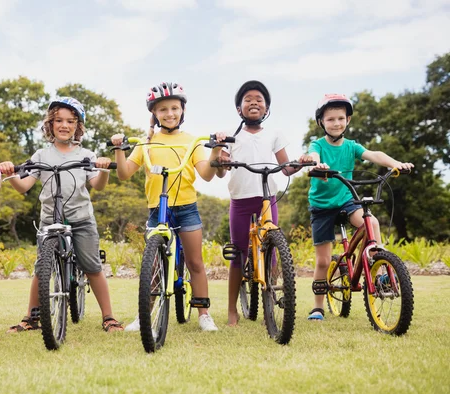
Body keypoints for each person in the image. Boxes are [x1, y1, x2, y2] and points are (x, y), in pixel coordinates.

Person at [0, 97, 124, 333]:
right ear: (50, 124)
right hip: (49, 219)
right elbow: (23, 186)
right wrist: (10, 173)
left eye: (70, 121)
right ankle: (31, 317)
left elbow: (97, 185)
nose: (64, 125)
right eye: (59, 121)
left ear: (78, 126)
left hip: (80, 219)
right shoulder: (41, 156)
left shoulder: (86, 154)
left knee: (92, 266)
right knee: (41, 268)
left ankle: (109, 317)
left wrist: (104, 169)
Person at [110, 82, 222, 332]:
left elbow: (206, 174)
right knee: (152, 266)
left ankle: (204, 314)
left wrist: (215, 150)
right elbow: (124, 173)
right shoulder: (146, 142)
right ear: (155, 114)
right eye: (163, 109)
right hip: (157, 208)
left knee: (195, 263)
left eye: (174, 108)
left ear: (182, 110)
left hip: (186, 207)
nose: (169, 113)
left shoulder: (192, 141)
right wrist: (119, 149)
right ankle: (145, 315)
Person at [298, 94, 413, 321]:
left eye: (341, 118)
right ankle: (318, 307)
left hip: (347, 200)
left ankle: (379, 272)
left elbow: (374, 155)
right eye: (330, 119)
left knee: (371, 221)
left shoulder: (351, 146)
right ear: (322, 122)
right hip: (321, 206)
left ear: (348, 120)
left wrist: (395, 164)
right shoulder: (318, 145)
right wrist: (317, 164)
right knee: (323, 261)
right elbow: (313, 156)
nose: (336, 123)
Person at [213, 80, 307, 327]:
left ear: (266, 109)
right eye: (248, 99)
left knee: (272, 249)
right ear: (239, 109)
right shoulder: (231, 137)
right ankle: (232, 309)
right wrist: (222, 160)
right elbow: (221, 173)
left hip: (267, 198)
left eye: (259, 100)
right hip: (241, 200)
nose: (254, 102)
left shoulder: (275, 134)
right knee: (238, 253)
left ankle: (272, 295)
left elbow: (286, 168)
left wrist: (299, 163)